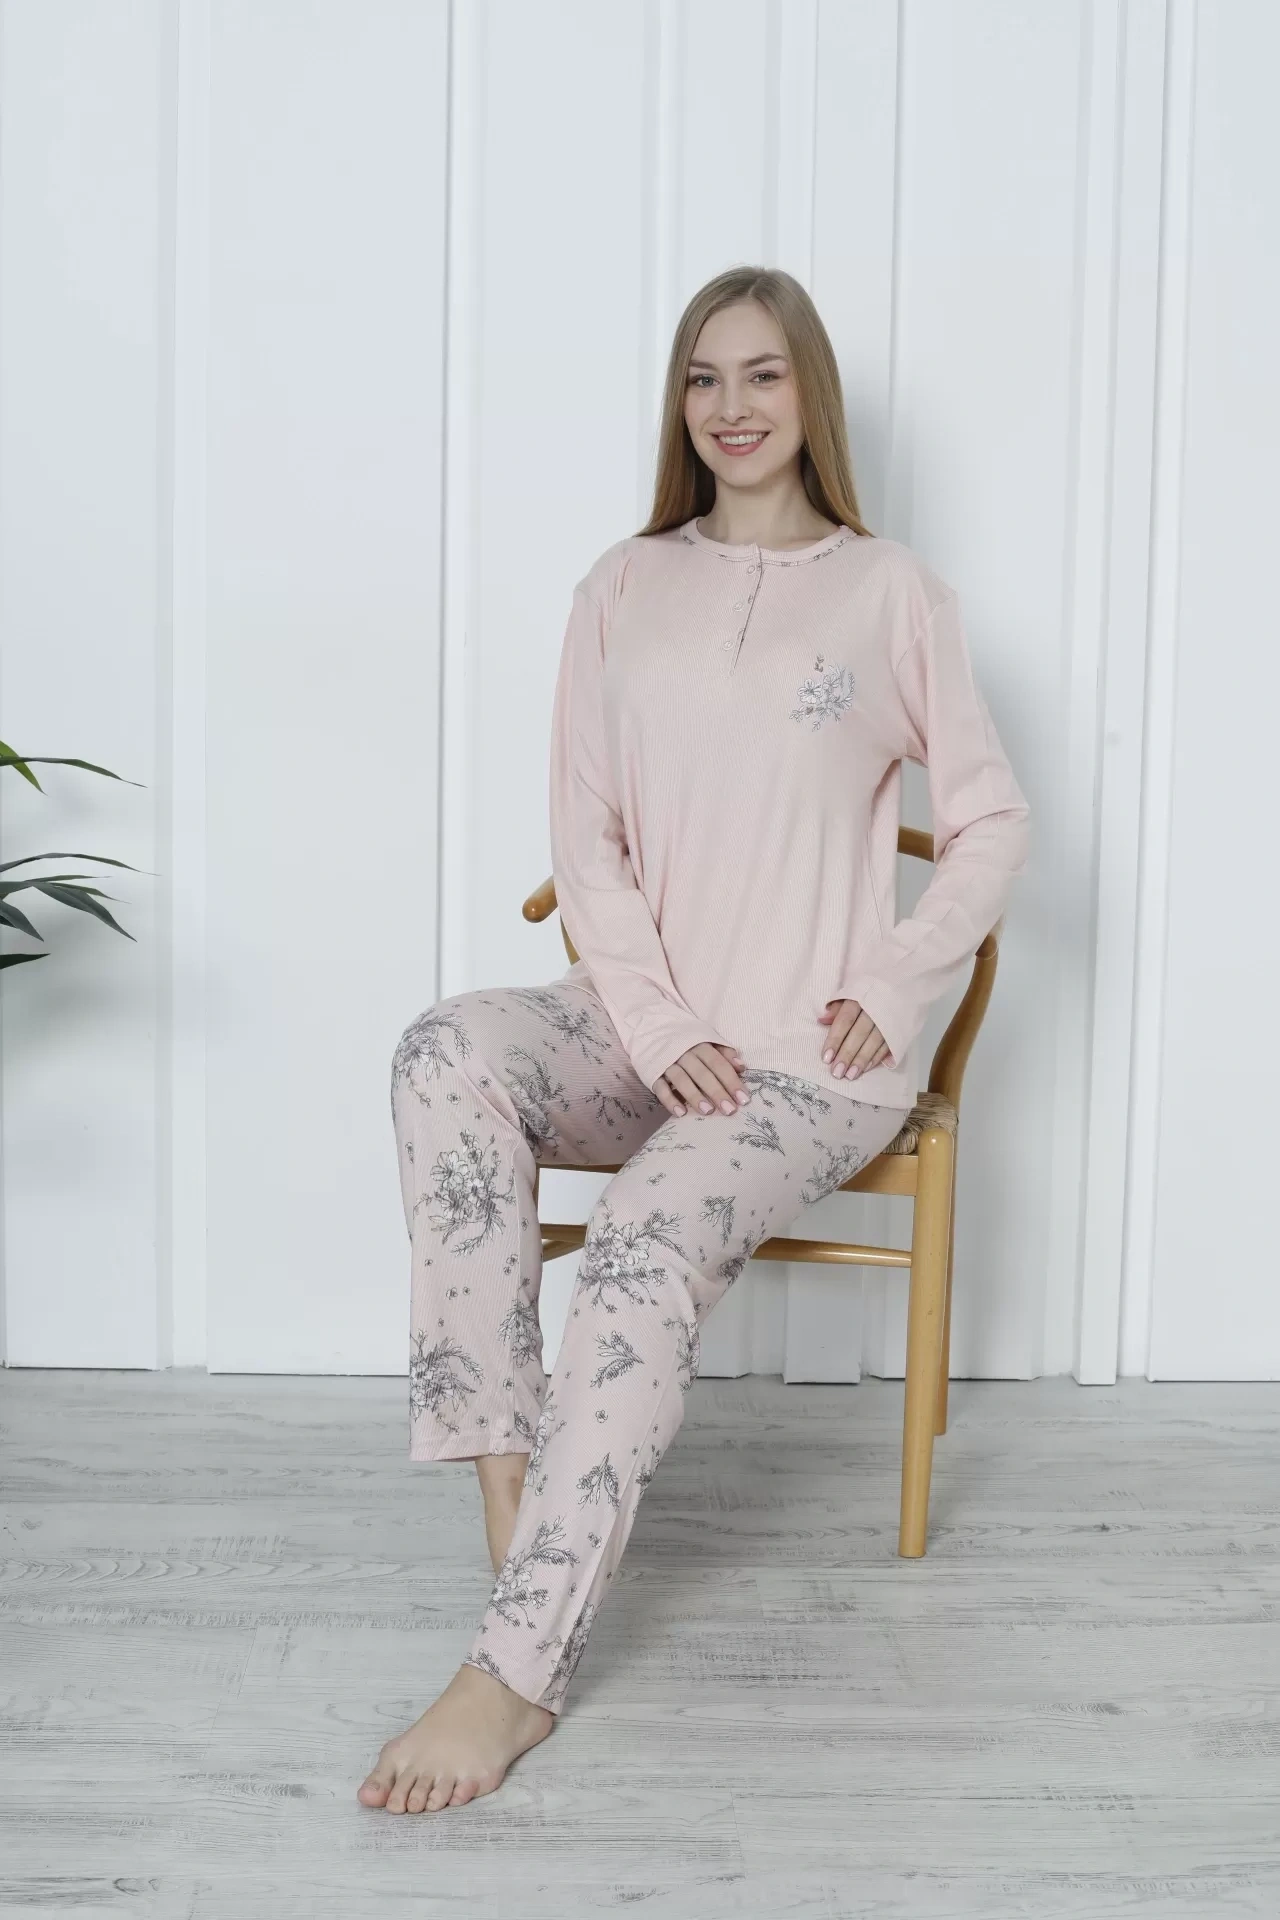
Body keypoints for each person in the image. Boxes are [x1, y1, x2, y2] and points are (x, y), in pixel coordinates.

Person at [357, 264, 1032, 1815]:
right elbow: (584, 834)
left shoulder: (892, 593)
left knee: (648, 1230)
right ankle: (515, 1494)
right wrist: (656, 1027)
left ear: (812, 398)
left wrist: (899, 978)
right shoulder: (621, 584)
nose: (732, 407)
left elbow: (991, 820)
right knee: (444, 1051)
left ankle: (513, 1672)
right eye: (703, 378)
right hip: (643, 1029)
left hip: (807, 1062)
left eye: (763, 375)